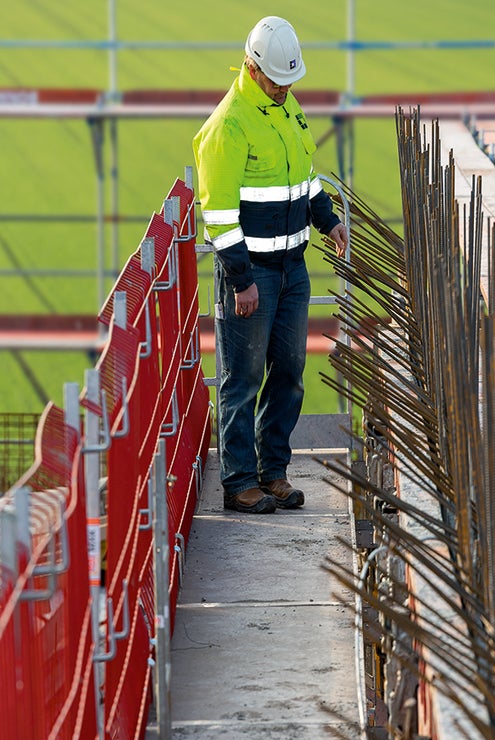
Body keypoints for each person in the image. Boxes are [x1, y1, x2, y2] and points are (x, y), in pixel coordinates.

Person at [193, 16, 348, 514]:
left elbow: (304, 176)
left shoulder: (286, 108)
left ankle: (272, 472)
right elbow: (219, 215)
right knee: (242, 378)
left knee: (290, 371)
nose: (285, 88)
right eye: (278, 80)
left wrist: (328, 220)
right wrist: (241, 281)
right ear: (252, 67)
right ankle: (239, 482)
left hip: (291, 268)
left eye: (289, 81)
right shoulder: (228, 125)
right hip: (252, 274)